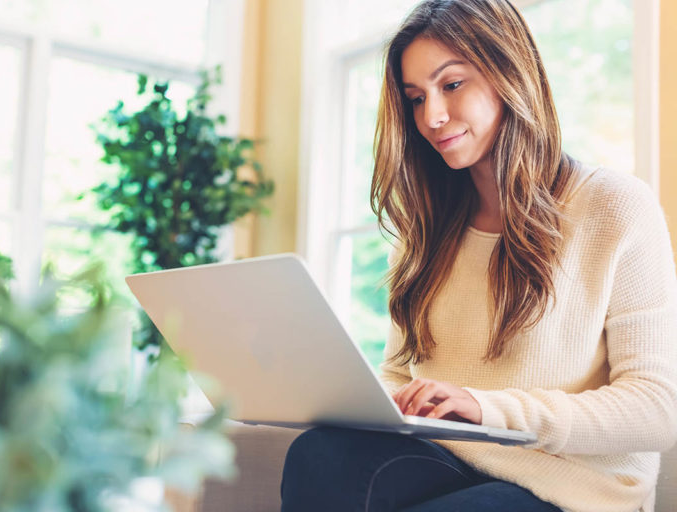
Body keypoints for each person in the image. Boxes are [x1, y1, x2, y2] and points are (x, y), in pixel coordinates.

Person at [280, 0, 677, 511]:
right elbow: (400, 375)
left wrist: (487, 408)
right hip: (446, 460)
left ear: (509, 73)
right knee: (318, 454)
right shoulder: (425, 231)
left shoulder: (614, 206)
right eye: (416, 98)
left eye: (451, 84)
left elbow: (657, 408)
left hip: (569, 485)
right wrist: (357, 399)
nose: (432, 117)